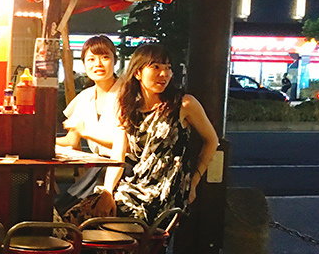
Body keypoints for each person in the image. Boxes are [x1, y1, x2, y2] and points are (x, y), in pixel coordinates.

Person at [102, 43, 220, 225]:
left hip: (165, 193)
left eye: (168, 68)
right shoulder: (127, 107)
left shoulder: (183, 104)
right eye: (156, 67)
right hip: (132, 188)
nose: (164, 74)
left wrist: (194, 181)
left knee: (113, 229)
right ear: (137, 73)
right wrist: (108, 192)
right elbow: (117, 156)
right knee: (88, 215)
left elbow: (212, 141)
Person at [54, 35, 121, 215]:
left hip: (121, 169)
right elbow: (71, 139)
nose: (98, 64)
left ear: (115, 61)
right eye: (91, 59)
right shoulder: (85, 97)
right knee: (61, 204)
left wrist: (87, 132)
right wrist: (44, 143)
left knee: (67, 208)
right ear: (83, 64)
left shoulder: (128, 94)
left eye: (105, 57)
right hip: (97, 168)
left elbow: (126, 144)